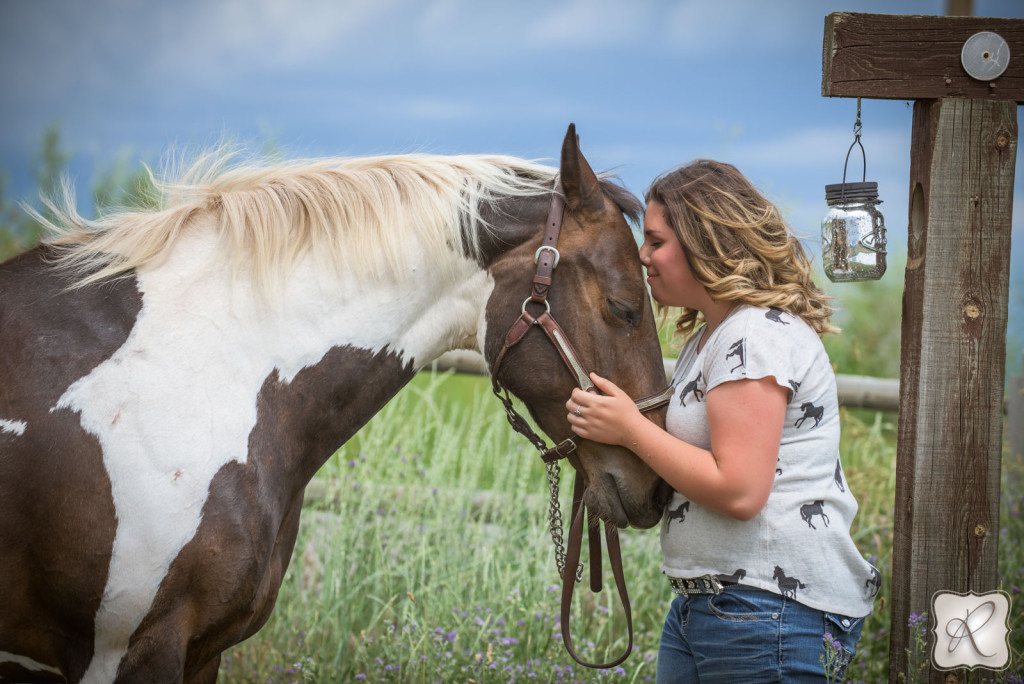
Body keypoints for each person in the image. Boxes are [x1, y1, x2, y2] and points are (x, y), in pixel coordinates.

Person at [566, 160, 878, 683]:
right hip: (715, 606)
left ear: (704, 243)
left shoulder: (752, 336)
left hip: (769, 613)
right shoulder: (711, 340)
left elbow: (739, 491)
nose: (643, 256)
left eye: (657, 242)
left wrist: (628, 429)